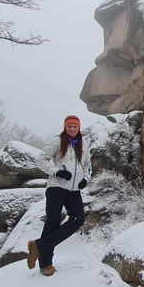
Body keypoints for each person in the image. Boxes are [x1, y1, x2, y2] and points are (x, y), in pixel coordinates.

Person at [27, 115, 92, 276]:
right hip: (56, 187)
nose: (72, 129)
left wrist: (85, 179)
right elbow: (40, 160)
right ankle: (45, 264)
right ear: (65, 127)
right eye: (69, 126)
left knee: (78, 219)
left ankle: (39, 245)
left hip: (74, 190)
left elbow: (88, 165)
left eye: (75, 126)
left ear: (79, 128)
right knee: (52, 222)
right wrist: (57, 172)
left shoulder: (83, 144)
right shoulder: (57, 141)